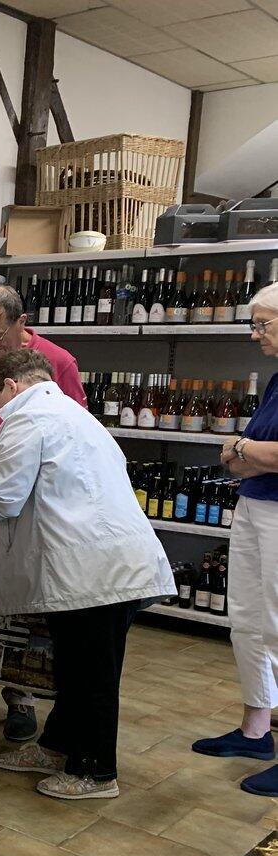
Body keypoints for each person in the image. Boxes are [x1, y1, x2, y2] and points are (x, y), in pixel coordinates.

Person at [0, 350, 174, 801]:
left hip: (92, 570)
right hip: (102, 564)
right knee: (74, 667)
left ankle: (96, 771)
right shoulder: (76, 415)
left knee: (93, 675)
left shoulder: (27, 418)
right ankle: (57, 747)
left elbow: (7, 498)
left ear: (10, 385)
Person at [0, 284, 87, 742]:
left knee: (23, 604)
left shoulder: (57, 363)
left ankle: (20, 695)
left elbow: (73, 430)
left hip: (26, 503)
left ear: (20, 323)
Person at [192, 282, 278, 795]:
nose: (254, 333)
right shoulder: (276, 380)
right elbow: (247, 455)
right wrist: (248, 452)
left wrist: (243, 448)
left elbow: (253, 451)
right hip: (255, 504)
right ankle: (255, 730)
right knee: (246, 619)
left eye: (262, 323)